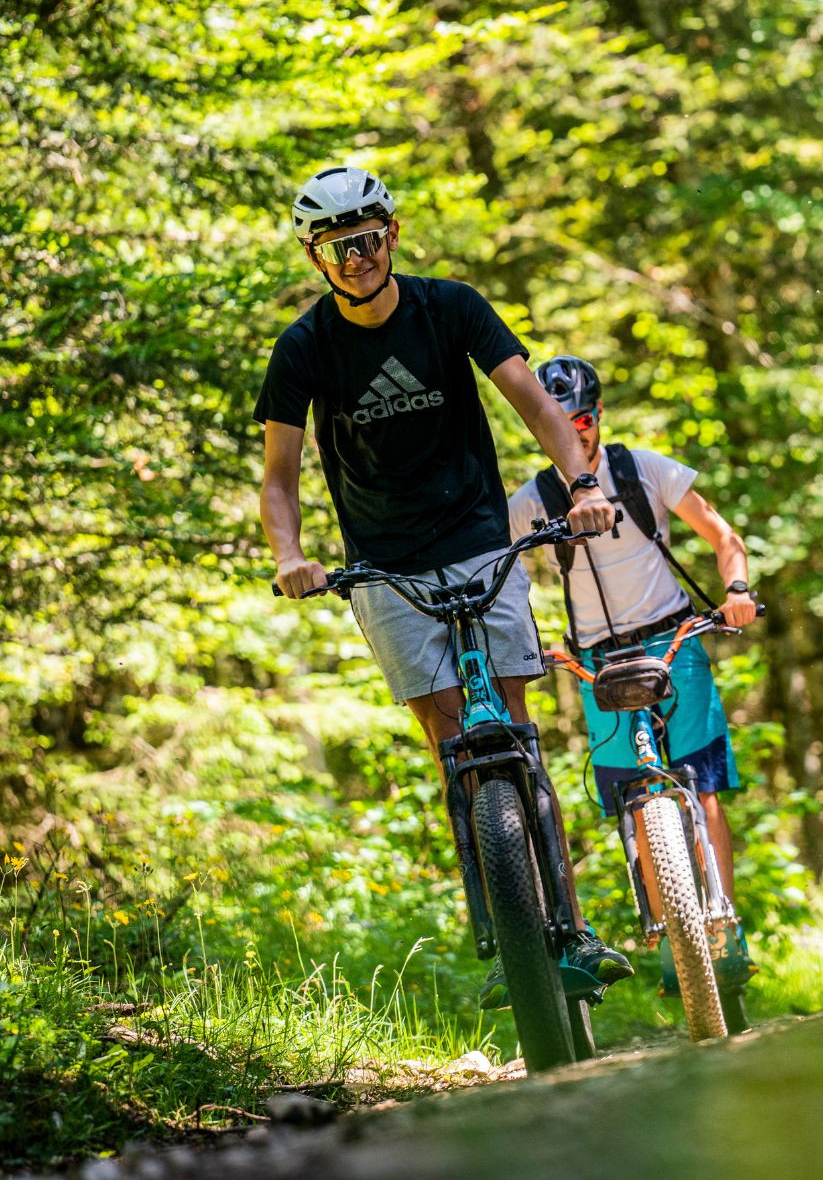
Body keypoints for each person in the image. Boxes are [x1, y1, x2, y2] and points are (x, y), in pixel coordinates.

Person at [254, 165, 634, 1008]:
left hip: (475, 539)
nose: (357, 257)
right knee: (448, 740)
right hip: (383, 561)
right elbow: (279, 476)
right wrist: (290, 555)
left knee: (517, 728)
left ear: (391, 233)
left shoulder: (451, 306)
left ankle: (566, 926)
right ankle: (503, 932)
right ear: (317, 255)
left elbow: (533, 402)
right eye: (338, 245)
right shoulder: (305, 348)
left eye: (369, 238)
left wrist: (583, 488)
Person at [508, 355, 759, 996]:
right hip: (597, 660)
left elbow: (722, 535)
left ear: (598, 417)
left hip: (673, 638)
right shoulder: (532, 501)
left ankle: (727, 933)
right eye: (560, 422)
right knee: (631, 797)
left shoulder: (643, 470)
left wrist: (734, 590)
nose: (577, 432)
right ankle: (678, 942)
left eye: (585, 418)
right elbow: (496, 571)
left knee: (700, 784)